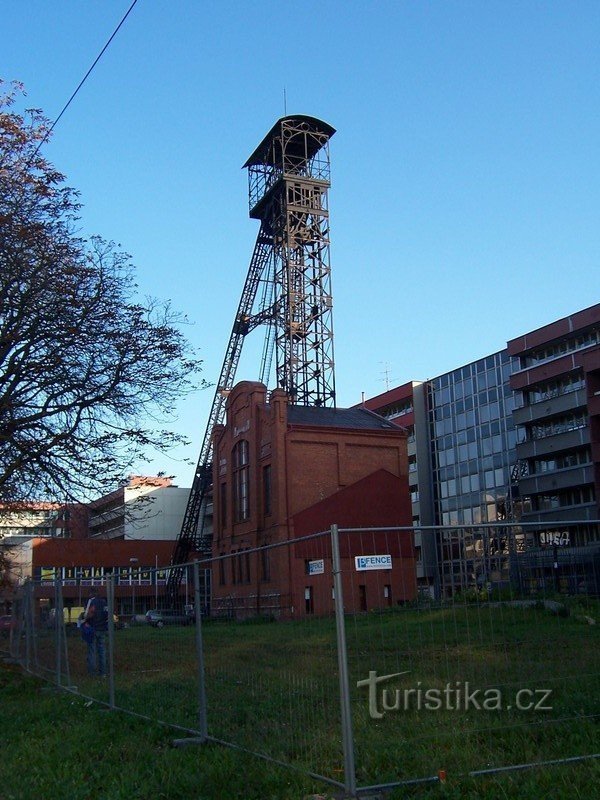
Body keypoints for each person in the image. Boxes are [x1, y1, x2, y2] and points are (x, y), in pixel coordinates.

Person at [82, 593, 108, 676]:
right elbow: (107, 614)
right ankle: (103, 672)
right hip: (102, 628)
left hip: (93, 628)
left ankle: (92, 672)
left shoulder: (92, 602)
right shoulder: (104, 602)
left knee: (92, 651)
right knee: (102, 651)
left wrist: (85, 619)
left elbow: (91, 612)